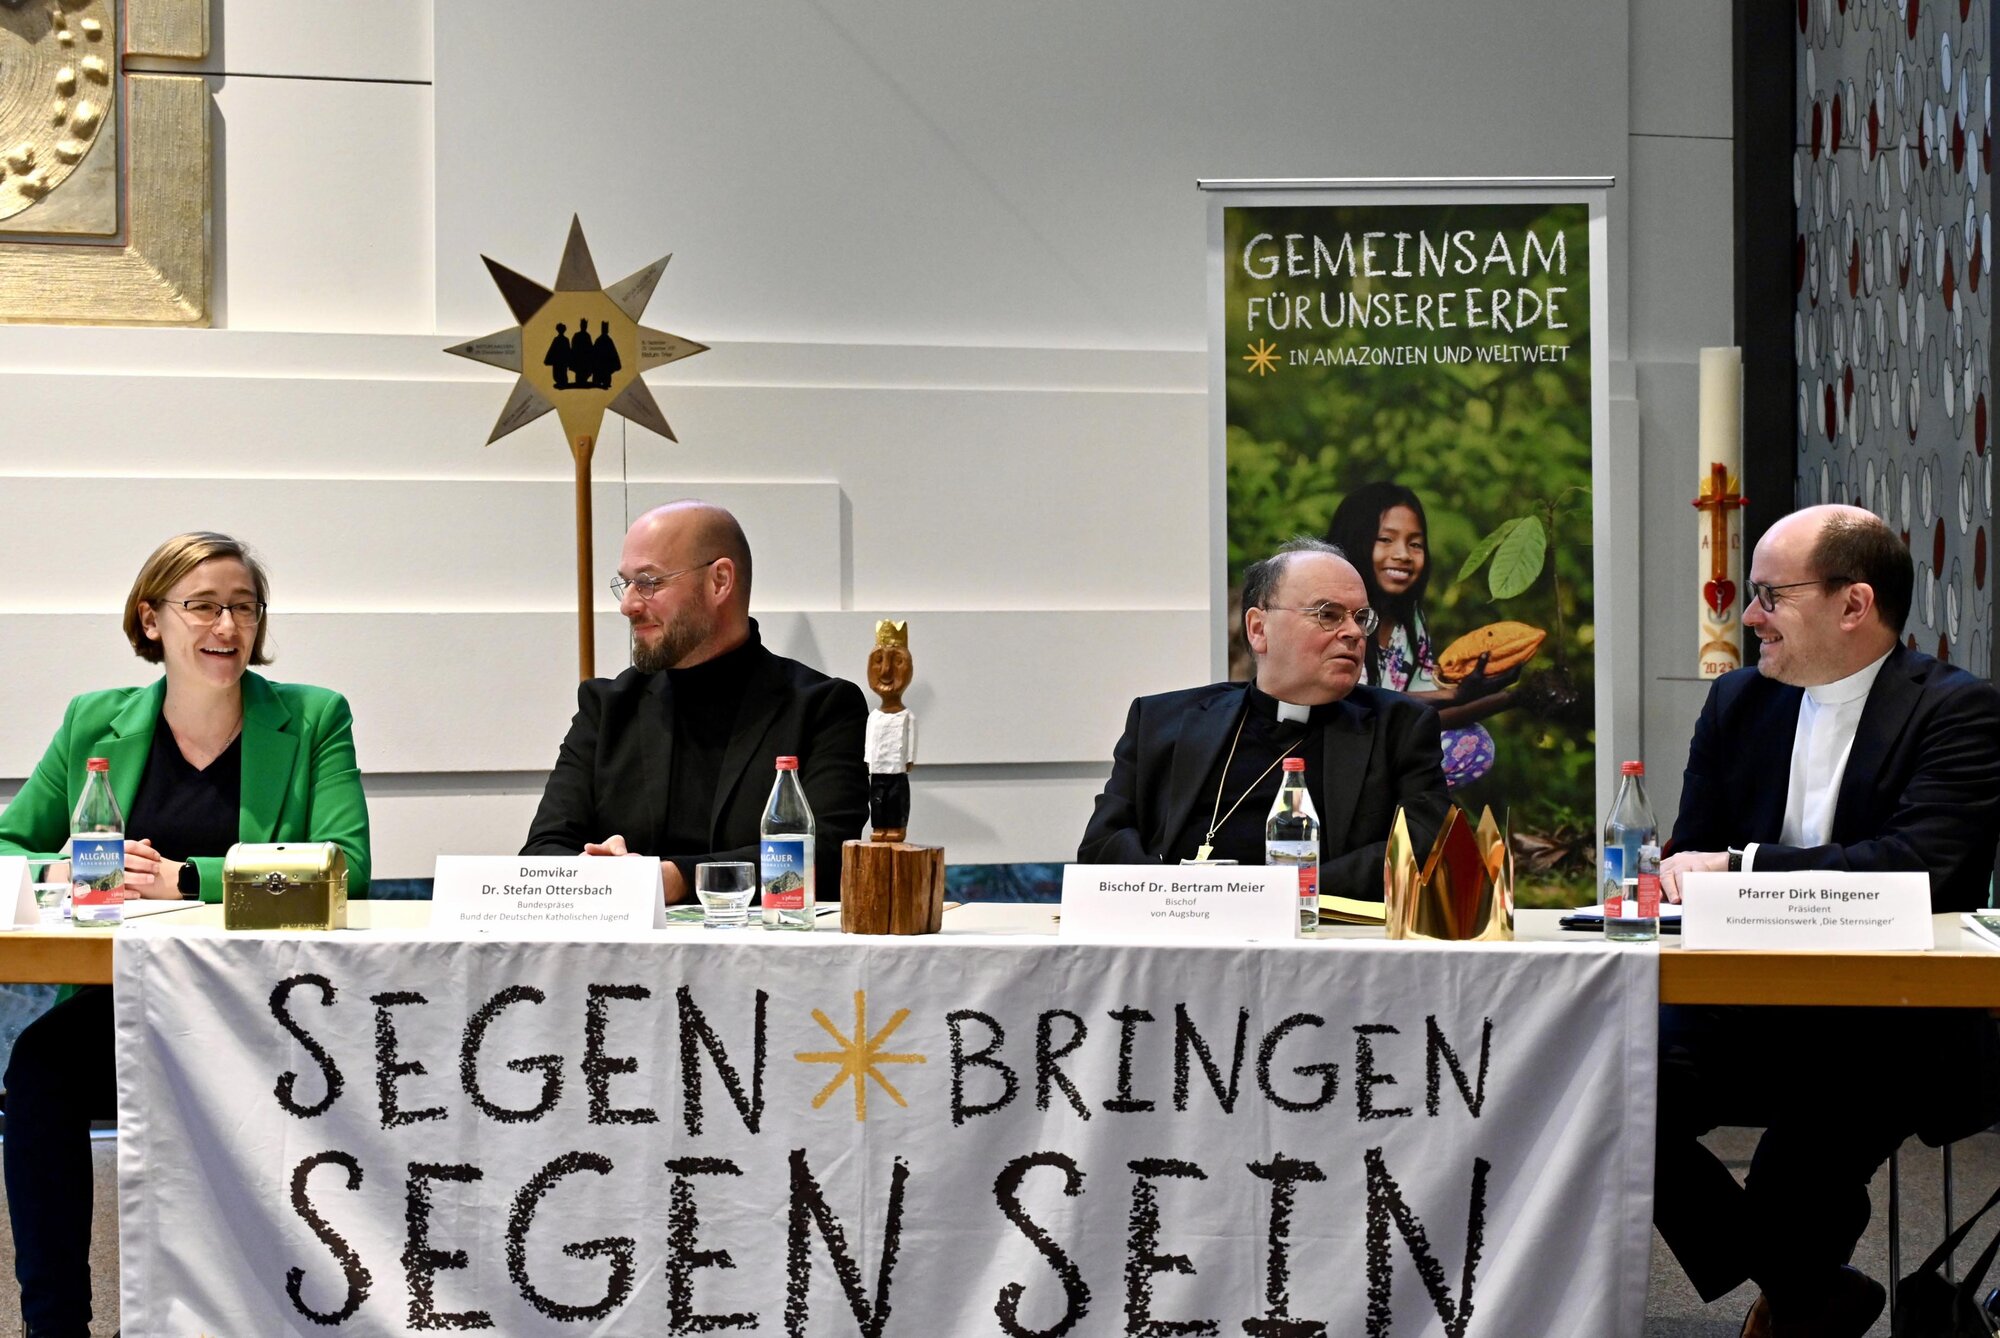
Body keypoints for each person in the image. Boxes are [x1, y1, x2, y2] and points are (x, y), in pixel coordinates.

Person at [0, 531, 371, 1338]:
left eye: (243, 607)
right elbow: (9, 845)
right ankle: (54, 1324)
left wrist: (190, 877)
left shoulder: (311, 719)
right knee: (38, 1068)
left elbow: (347, 870)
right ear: (151, 619)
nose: (227, 627)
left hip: (272, 1015)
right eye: (203, 606)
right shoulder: (93, 721)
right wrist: (58, 871)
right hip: (131, 1003)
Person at [1655, 503, 2000, 1338]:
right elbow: (1689, 853)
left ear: (1855, 605)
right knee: (1612, 1087)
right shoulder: (1739, 702)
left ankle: (1801, 1291)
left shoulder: (1958, 711)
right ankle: (1810, 1287)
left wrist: (1742, 869)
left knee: (1800, 1159)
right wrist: (1677, 871)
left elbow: (1920, 870)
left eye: (1772, 594)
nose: (1748, 617)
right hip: (1737, 1000)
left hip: (1894, 1016)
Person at [522, 500, 868, 901]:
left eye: (649, 582)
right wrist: (594, 872)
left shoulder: (822, 709)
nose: (628, 605)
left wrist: (674, 879)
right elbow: (542, 853)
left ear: (720, 581)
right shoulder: (606, 708)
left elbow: (823, 862)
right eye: (626, 583)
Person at [1077, 537, 1450, 898]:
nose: (1353, 632)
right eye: (1329, 615)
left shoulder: (1400, 727)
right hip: (1177, 938)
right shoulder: (1162, 720)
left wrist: (1272, 895)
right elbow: (1103, 845)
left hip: (1323, 944)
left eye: (1361, 617)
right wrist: (1179, 897)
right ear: (1259, 629)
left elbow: (1421, 847)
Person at [1323, 482, 1520, 787]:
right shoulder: (1332, 615)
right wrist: (1452, 694)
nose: (1403, 554)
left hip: (1385, 752)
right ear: (1354, 541)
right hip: (1332, 753)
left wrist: (1512, 696)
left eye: (1415, 544)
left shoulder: (1409, 622)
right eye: (1385, 539)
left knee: (1474, 742)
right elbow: (1353, 704)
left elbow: (1426, 718)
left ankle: (1401, 819)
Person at [864, 620, 917, 843]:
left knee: (897, 799)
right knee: (877, 799)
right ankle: (880, 826)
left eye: (897, 662)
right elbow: (869, 740)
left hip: (896, 769)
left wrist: (909, 759)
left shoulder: (906, 717)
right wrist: (868, 759)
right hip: (878, 769)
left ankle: (897, 826)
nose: (886, 671)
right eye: (878, 661)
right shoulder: (874, 716)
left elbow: (911, 739)